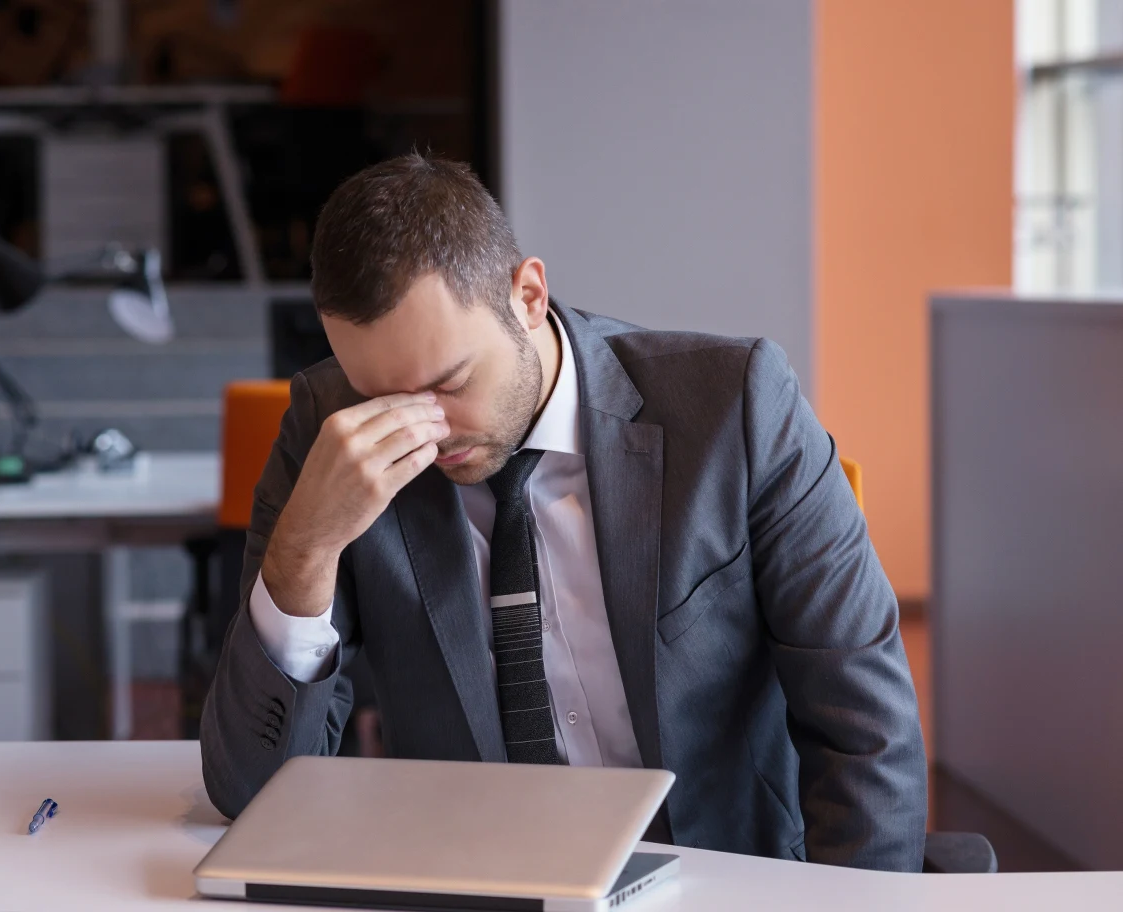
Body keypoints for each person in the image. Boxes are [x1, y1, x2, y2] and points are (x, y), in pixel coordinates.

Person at [200, 153, 927, 871]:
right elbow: (254, 796)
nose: (427, 429)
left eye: (450, 382)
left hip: (721, 877)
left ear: (528, 295)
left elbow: (866, 731)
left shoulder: (735, 408)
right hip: (472, 882)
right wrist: (304, 550)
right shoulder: (331, 436)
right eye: (382, 397)